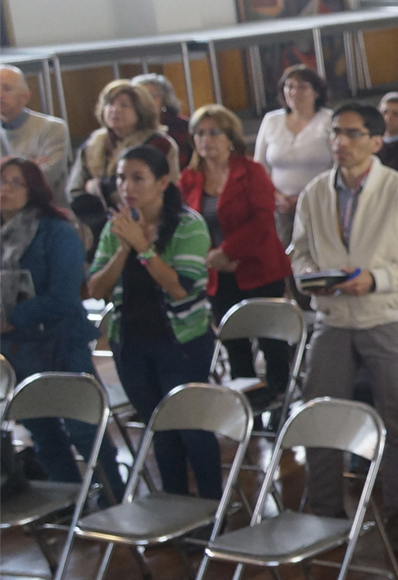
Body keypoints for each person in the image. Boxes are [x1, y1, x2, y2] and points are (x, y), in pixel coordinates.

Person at [289, 103, 398, 553]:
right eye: (335, 133)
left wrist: (378, 279)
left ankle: (397, 515)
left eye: (353, 134)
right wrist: (312, 276)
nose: (341, 142)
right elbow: (298, 251)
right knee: (319, 413)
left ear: (376, 141)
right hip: (334, 317)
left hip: (387, 316)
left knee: (396, 420)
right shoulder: (316, 192)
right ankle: (324, 511)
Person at [84, 145, 220, 500]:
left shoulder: (189, 224)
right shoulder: (119, 227)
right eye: (120, 178)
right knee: (159, 428)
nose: (127, 186)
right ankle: (175, 505)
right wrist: (124, 247)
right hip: (129, 341)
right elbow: (97, 288)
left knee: (190, 428)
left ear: (162, 182)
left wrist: (143, 247)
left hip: (182, 342)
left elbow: (179, 288)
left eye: (137, 178)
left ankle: (212, 507)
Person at [0, 156, 124, 499]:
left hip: (60, 342)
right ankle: (70, 501)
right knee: (42, 431)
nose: (5, 189)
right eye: (1, 181)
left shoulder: (56, 231)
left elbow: (66, 296)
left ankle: (113, 494)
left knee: (84, 430)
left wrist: (14, 317)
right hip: (16, 351)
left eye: (15, 183)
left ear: (34, 190)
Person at [179, 105, 295, 408]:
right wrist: (211, 257)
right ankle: (248, 402)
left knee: (271, 340)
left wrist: (227, 252)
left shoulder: (250, 171)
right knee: (234, 341)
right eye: (199, 133)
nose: (206, 140)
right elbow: (184, 224)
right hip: (217, 272)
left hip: (259, 267)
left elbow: (261, 220)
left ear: (230, 137)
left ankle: (281, 397)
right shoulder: (190, 178)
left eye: (214, 132)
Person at [70, 81, 179, 209]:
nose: (115, 110)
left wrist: (99, 187)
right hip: (96, 220)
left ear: (140, 110)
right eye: (110, 104)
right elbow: (75, 191)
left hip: (149, 215)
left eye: (124, 105)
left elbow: (160, 191)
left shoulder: (158, 144)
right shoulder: (92, 145)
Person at [254, 66, 331, 244]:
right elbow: (260, 166)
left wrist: (304, 199)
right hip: (281, 207)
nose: (295, 92)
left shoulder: (328, 119)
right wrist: (276, 196)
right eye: (290, 86)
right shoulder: (271, 120)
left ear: (316, 92)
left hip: (320, 203)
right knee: (287, 256)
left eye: (302, 87)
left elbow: (336, 165)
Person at [0, 66, 75, 207]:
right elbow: (35, 176)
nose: (0, 95)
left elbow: (47, 179)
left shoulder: (52, 128)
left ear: (26, 96)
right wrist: (31, 167)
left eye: (7, 89)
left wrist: (6, 178)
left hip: (47, 213)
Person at [131, 73, 195, 172]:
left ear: (164, 99)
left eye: (152, 97)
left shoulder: (182, 126)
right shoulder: (128, 127)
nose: (146, 102)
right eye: (140, 98)